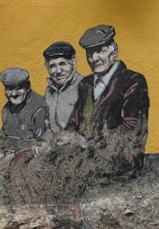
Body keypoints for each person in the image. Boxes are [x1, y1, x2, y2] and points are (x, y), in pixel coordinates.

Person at [63, 24, 149, 174]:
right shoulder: (86, 84)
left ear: (114, 50)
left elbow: (132, 128)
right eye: (89, 54)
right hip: (86, 155)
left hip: (120, 158)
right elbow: (74, 122)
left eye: (100, 51)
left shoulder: (132, 80)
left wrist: (86, 143)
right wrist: (67, 136)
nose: (93, 59)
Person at [0, 67, 50, 163]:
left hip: (28, 159)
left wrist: (14, 156)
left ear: (27, 87)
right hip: (7, 157)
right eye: (9, 89)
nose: (14, 93)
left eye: (18, 88)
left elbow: (42, 143)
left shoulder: (38, 107)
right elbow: (2, 136)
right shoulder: (6, 109)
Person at [42, 41, 82, 133]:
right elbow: (47, 126)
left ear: (73, 62)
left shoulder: (84, 87)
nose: (58, 71)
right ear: (47, 67)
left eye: (62, 64)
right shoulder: (49, 91)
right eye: (52, 66)